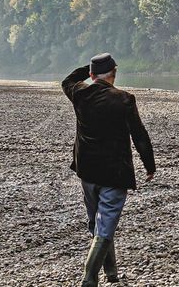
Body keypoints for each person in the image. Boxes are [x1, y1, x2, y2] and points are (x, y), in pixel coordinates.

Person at [62, 53, 157, 286]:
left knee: (97, 222)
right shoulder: (124, 99)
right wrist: (149, 164)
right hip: (115, 173)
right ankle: (89, 277)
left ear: (93, 75)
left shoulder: (79, 93)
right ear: (114, 74)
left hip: (87, 170)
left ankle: (111, 273)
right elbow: (139, 135)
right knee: (105, 224)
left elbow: (68, 80)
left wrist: (91, 67)